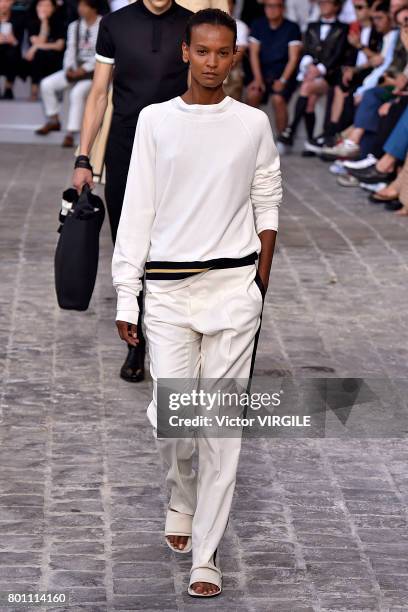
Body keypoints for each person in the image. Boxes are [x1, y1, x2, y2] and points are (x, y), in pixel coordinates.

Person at [112, 7, 282, 598]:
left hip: (233, 291)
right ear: (186, 53)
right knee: (172, 422)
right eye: (203, 51)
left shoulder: (253, 124)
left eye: (223, 52)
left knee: (221, 429)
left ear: (235, 56)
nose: (213, 62)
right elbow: (137, 210)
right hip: (167, 292)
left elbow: (267, 196)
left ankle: (207, 553)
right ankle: (180, 496)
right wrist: (126, 295)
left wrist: (261, 272)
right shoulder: (157, 122)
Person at [72, 0, 193, 383]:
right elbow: (99, 93)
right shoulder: (115, 24)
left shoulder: (193, 25)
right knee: (129, 245)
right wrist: (83, 156)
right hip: (126, 151)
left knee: (177, 245)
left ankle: (172, 338)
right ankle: (135, 342)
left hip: (182, 152)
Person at [278, 0, 350, 151]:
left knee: (306, 88)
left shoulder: (343, 28)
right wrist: (309, 66)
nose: (323, 5)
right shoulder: (312, 26)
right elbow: (307, 51)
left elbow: (339, 53)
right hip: (311, 72)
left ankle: (291, 129)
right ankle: (311, 143)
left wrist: (321, 69)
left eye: (327, 3)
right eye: (321, 3)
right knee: (309, 102)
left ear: (336, 6)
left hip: (330, 75)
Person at [35, 0, 102, 146]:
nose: (80, 8)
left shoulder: (104, 25)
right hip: (74, 69)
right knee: (47, 84)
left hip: (94, 73)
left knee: (76, 93)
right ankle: (54, 120)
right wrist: (69, 69)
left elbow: (102, 53)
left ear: (93, 8)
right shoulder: (74, 26)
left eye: (84, 5)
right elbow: (70, 50)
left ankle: (71, 133)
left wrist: (84, 69)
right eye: (80, 5)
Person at [246, 0, 302, 137]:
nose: (271, 9)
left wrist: (282, 80)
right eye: (268, 6)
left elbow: (293, 58)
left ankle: (282, 138)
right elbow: (253, 54)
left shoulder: (292, 28)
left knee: (278, 99)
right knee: (253, 93)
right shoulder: (258, 24)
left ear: (282, 8)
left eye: (275, 6)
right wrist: (258, 79)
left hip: (284, 73)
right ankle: (250, 137)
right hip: (262, 72)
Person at [24, 0, 66, 101]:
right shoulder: (32, 22)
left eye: (48, 5)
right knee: (39, 55)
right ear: (36, 7)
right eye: (41, 5)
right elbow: (39, 41)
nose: (44, 8)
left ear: (53, 7)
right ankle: (34, 92)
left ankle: (54, 91)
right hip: (38, 57)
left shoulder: (59, 22)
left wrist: (35, 47)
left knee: (45, 54)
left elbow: (59, 46)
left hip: (56, 56)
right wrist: (44, 22)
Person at [0, 0, 25, 99]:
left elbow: (20, 41)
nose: (4, 4)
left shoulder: (19, 17)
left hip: (12, 49)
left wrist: (13, 40)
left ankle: (8, 88)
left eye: (7, 1)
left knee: (13, 54)